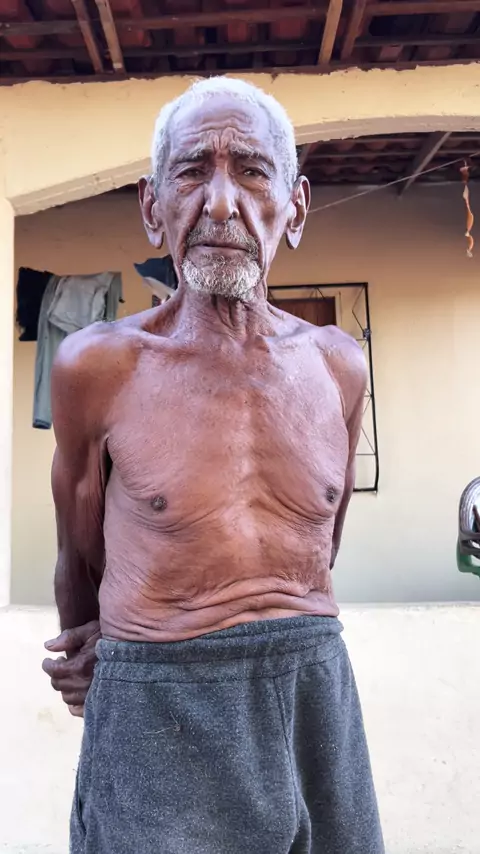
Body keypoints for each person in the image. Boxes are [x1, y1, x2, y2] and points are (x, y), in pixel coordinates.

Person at [42, 77, 384, 854]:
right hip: (158, 697)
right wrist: (90, 646)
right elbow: (77, 552)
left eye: (252, 172)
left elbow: (321, 546)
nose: (221, 204)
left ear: (295, 208)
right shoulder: (98, 366)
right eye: (192, 171)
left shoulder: (338, 365)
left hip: (315, 693)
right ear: (152, 206)